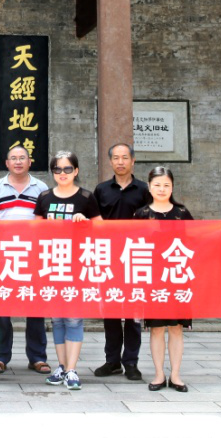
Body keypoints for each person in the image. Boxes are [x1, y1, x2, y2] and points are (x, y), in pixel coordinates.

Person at [34, 150, 102, 391]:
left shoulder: (86, 197)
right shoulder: (44, 197)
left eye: (67, 169)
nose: (62, 173)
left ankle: (72, 369)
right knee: (57, 319)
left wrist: (85, 222)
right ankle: (61, 366)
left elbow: (102, 230)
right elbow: (34, 232)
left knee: (73, 318)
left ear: (76, 171)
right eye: (57, 169)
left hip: (77, 266)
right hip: (51, 265)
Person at [0, 144, 51, 376]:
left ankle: (37, 357)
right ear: (6, 163)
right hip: (3, 256)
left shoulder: (41, 188)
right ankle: (0, 356)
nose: (18, 162)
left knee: (35, 307)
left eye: (22, 158)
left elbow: (47, 220)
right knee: (1, 307)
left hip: (32, 256)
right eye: (13, 158)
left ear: (30, 161)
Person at [92, 142, 152, 380]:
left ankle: (131, 362)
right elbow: (93, 221)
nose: (120, 162)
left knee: (134, 314)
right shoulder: (102, 190)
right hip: (109, 259)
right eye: (116, 158)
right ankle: (112, 361)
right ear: (110, 162)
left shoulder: (145, 190)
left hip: (136, 258)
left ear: (133, 161)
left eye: (124, 157)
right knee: (111, 313)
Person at [135, 166, 193, 394]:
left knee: (176, 328)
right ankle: (159, 374)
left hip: (177, 277)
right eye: (157, 185)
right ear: (149, 187)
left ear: (172, 187)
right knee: (156, 329)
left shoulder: (182, 212)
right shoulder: (140, 214)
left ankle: (176, 375)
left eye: (166, 185)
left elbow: (197, 240)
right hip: (153, 280)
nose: (161, 189)